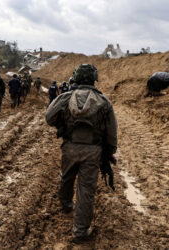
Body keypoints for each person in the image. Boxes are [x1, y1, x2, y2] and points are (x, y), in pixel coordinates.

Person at [45, 64, 117, 243]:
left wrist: (62, 123)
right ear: (94, 78)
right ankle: (80, 231)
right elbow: (111, 132)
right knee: (86, 190)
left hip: (70, 146)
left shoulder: (66, 97)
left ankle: (66, 204)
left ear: (76, 78)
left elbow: (49, 117)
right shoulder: (104, 101)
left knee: (66, 177)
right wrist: (110, 151)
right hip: (93, 151)